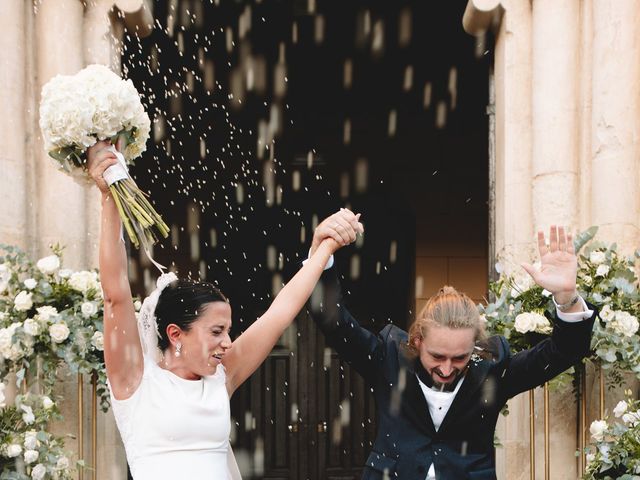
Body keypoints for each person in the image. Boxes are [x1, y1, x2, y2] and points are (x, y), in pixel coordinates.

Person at [86, 140, 364, 480]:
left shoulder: (222, 377)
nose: (228, 342)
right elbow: (116, 295)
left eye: (228, 330)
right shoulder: (134, 382)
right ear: (176, 334)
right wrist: (108, 196)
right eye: (217, 332)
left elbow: (280, 313)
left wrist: (324, 248)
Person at [308, 215, 596, 480]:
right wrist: (321, 256)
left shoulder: (493, 371)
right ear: (418, 341)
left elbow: (564, 351)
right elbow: (333, 322)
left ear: (474, 347)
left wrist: (567, 297)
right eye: (437, 356)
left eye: (459, 357)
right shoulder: (388, 358)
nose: (446, 369)